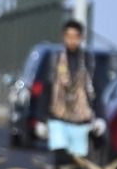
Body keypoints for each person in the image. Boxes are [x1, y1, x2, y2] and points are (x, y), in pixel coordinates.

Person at [41, 19, 103, 161]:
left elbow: (96, 90)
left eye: (75, 37)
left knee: (78, 162)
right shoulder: (55, 60)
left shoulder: (88, 61)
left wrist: (99, 117)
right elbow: (46, 89)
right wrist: (41, 119)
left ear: (81, 38)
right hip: (58, 118)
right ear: (63, 37)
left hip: (80, 121)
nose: (72, 41)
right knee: (60, 158)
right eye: (68, 37)